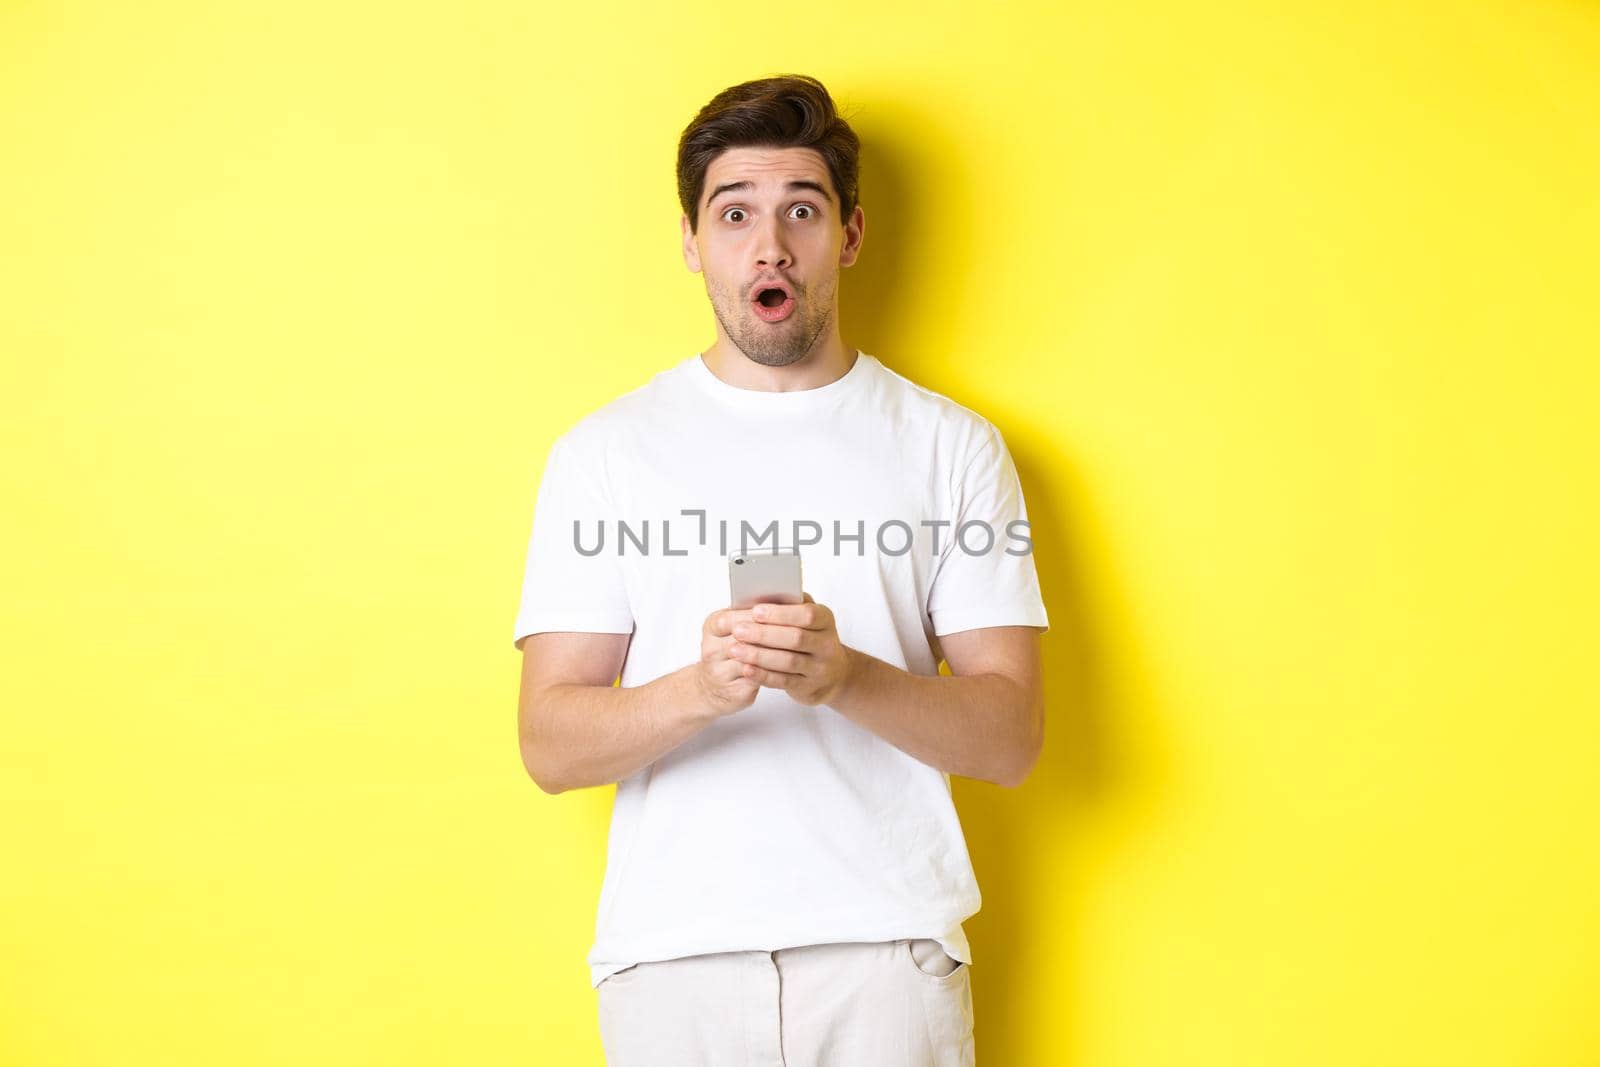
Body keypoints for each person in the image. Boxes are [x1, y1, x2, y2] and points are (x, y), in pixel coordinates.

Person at [512, 73, 1049, 1067]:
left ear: (846, 234)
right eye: (735, 213)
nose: (769, 245)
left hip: (888, 956)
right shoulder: (602, 454)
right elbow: (548, 742)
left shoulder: (953, 448)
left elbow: (1011, 737)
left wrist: (847, 675)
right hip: (671, 966)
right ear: (691, 240)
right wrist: (699, 688)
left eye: (801, 209)